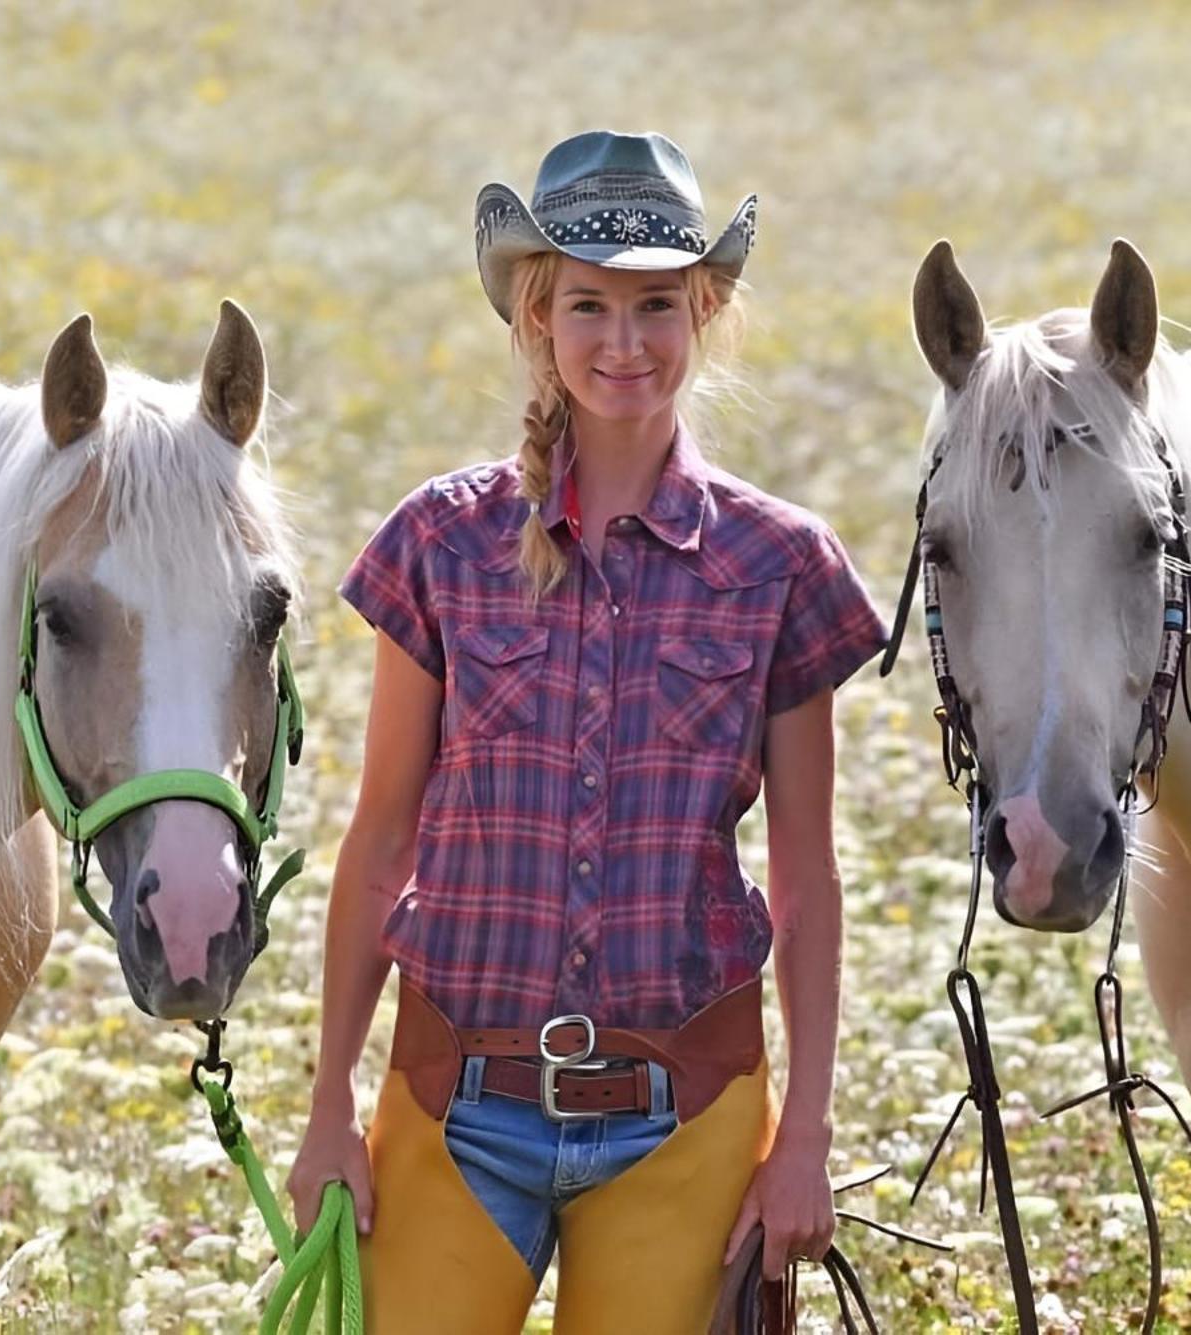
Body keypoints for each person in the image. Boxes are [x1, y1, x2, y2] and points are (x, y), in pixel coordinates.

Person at [287, 129, 888, 1333]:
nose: (624, 343)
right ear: (535, 317)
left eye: (658, 306)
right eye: (589, 306)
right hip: (455, 1103)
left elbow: (807, 879)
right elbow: (379, 843)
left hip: (688, 1115)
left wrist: (805, 1137)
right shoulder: (439, 544)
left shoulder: (779, 565)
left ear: (704, 309)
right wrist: (326, 1111)